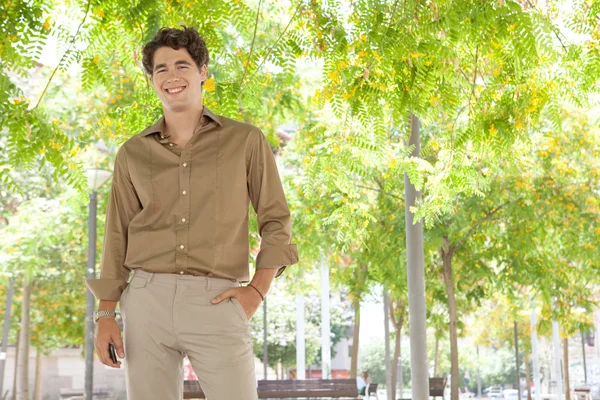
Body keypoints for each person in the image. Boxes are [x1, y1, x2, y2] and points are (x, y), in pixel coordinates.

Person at [83, 25, 299, 400]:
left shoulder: (245, 141)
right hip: (147, 301)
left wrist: (256, 291)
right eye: (161, 69)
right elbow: (117, 236)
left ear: (202, 72)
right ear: (151, 80)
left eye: (182, 65)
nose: (171, 76)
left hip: (217, 300)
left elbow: (276, 220)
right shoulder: (132, 153)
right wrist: (105, 315)